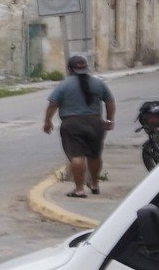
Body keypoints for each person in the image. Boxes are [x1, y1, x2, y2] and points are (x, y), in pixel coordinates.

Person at [43, 54, 115, 197]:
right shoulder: (98, 83)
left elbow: (53, 104)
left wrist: (47, 121)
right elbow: (110, 101)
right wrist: (109, 119)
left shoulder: (64, 85)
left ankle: (79, 189)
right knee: (95, 155)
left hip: (72, 123)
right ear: (86, 68)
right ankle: (94, 184)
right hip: (95, 122)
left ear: (69, 69)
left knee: (77, 155)